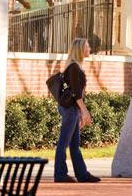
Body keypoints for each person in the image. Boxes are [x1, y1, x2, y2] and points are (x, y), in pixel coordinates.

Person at [54, 38, 101, 183]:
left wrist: (80, 112)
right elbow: (76, 93)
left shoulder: (77, 66)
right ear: (80, 49)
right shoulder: (74, 67)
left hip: (73, 109)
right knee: (64, 142)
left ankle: (82, 174)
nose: (90, 49)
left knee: (74, 144)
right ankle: (60, 174)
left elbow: (78, 93)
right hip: (70, 109)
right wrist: (84, 111)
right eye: (87, 46)